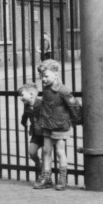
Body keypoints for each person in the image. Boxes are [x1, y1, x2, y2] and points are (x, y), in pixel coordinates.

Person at [33, 59, 79, 191]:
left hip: (59, 125)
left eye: (46, 76)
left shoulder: (63, 90)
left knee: (60, 151)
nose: (43, 79)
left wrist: (76, 120)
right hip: (47, 124)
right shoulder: (46, 88)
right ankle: (47, 179)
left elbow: (73, 105)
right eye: (42, 77)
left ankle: (62, 178)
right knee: (46, 151)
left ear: (56, 74)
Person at [17, 82, 43, 180]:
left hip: (45, 133)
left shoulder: (41, 104)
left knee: (45, 154)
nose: (21, 98)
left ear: (31, 94)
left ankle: (44, 175)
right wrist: (23, 122)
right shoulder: (27, 105)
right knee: (32, 152)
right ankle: (38, 164)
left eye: (22, 95)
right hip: (36, 134)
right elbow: (25, 115)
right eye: (20, 96)